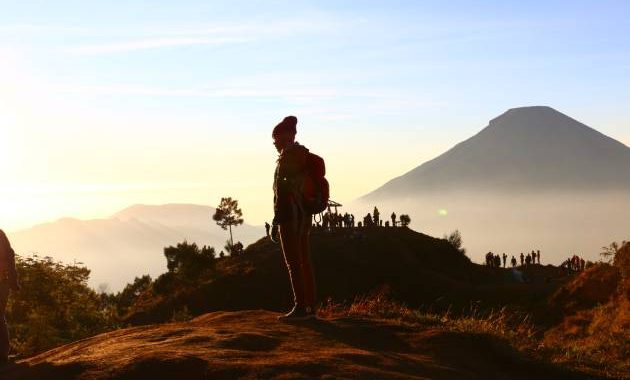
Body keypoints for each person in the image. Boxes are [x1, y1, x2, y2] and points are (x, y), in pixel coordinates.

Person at [270, 116, 317, 321]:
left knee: (293, 263)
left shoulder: (287, 159)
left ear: (284, 138)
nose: (274, 144)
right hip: (305, 217)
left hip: (290, 217)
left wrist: (276, 221)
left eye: (275, 140)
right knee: (305, 262)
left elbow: (282, 193)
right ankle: (310, 307)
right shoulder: (303, 156)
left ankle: (299, 307)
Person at [0, 229, 19, 365]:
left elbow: (10, 256)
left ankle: (2, 355)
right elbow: (10, 256)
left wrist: (13, 280)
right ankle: (3, 354)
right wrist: (13, 281)